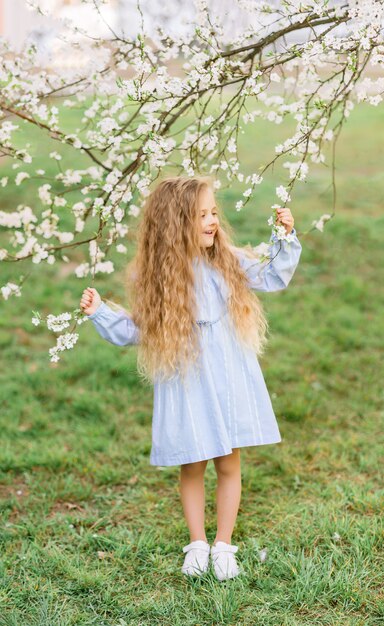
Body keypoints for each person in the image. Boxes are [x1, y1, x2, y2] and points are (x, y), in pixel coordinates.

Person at [79, 175, 302, 581]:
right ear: (175, 223)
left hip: (228, 376)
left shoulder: (227, 260)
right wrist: (101, 314)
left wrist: (284, 237)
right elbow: (138, 330)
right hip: (186, 379)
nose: (212, 221)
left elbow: (272, 275)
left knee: (229, 462)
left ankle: (224, 544)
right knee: (193, 464)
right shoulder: (153, 278)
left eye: (213, 212)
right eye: (202, 215)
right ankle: (197, 543)